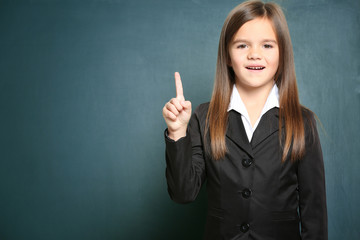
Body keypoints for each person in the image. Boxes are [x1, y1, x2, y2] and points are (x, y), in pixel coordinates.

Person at [162, 1, 327, 239]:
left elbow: (315, 214)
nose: (254, 54)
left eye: (267, 45)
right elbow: (183, 193)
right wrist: (177, 133)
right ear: (228, 56)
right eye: (242, 45)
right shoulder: (203, 116)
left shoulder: (303, 121)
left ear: (282, 53)